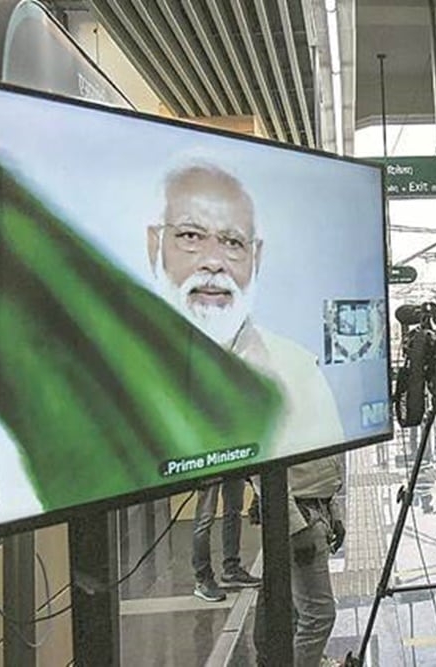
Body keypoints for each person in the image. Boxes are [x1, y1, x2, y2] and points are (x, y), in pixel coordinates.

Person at [149, 162, 346, 665]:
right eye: (191, 236)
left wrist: (334, 504)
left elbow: (325, 437)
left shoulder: (291, 354)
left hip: (309, 504)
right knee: (315, 610)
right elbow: (265, 465)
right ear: (157, 244)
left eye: (233, 243)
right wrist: (300, 522)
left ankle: (270, 656)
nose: (214, 262)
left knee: (284, 599)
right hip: (295, 508)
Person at [191, 475, 260, 603]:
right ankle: (203, 578)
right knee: (205, 518)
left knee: (234, 511)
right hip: (208, 462)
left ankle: (232, 569)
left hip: (232, 459)